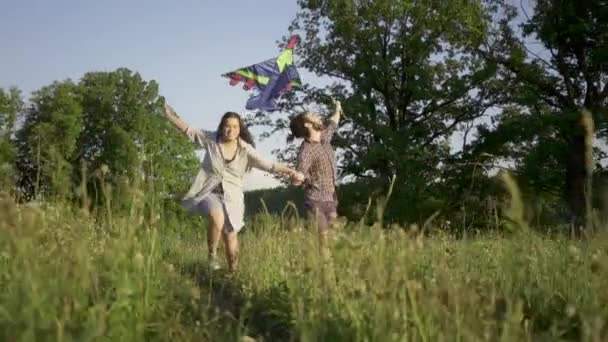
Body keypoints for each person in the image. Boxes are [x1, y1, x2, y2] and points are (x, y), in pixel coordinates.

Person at [163, 103, 299, 272]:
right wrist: (170, 117)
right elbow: (189, 131)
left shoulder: (245, 149)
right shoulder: (211, 140)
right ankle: (212, 255)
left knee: (230, 235)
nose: (231, 130)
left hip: (232, 197)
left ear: (239, 129)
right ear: (222, 127)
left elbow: (269, 165)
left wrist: (290, 171)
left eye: (235, 127)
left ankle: (233, 272)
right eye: (227, 126)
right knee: (216, 216)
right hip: (209, 191)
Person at [289, 100, 343, 247]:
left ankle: (330, 267)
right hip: (315, 200)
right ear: (307, 124)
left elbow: (333, 122)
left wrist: (337, 108)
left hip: (331, 198)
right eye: (312, 115)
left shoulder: (324, 137)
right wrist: (298, 178)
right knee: (324, 238)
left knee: (333, 237)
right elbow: (298, 178)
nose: (316, 115)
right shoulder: (306, 150)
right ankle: (326, 268)